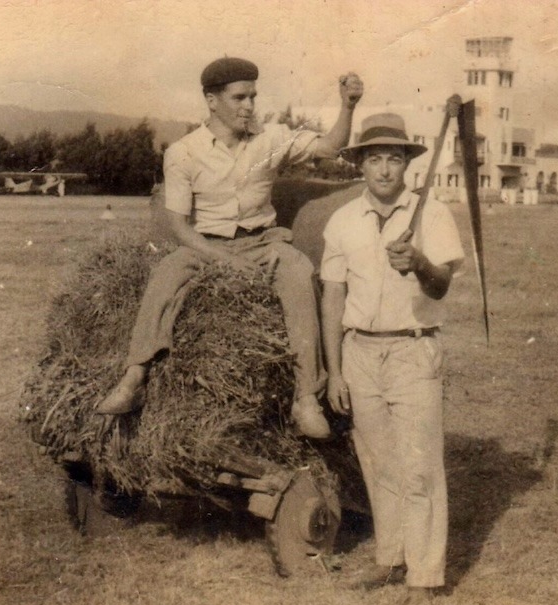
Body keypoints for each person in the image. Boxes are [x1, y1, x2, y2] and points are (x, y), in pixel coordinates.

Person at [95, 57, 363, 439]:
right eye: (239, 98)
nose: (249, 106)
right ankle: (134, 378)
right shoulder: (183, 153)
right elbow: (178, 227)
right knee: (167, 273)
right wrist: (222, 259)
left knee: (300, 272)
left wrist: (348, 105)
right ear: (211, 100)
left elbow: (329, 146)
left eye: (253, 96)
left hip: (264, 241)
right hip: (204, 245)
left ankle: (305, 399)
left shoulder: (271, 139)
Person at [320, 112, 465, 605]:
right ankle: (390, 558)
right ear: (359, 165)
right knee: (379, 464)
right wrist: (335, 370)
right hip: (360, 353)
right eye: (375, 159)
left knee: (420, 464)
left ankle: (424, 579)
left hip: (412, 349)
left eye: (394, 159)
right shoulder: (341, 221)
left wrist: (420, 263)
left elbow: (442, 285)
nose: (384, 170)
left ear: (407, 165)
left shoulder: (433, 215)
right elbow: (332, 297)